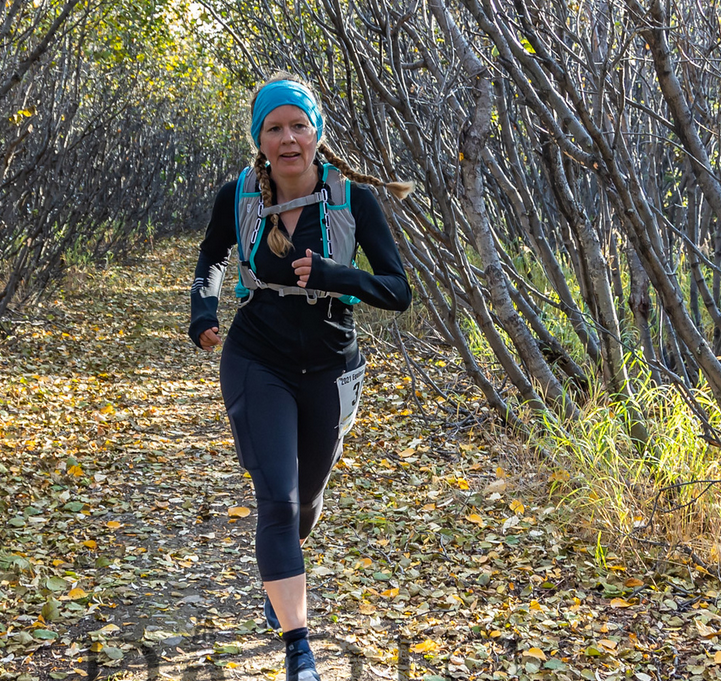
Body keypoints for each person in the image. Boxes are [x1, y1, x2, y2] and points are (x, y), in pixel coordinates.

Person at [188, 73, 412, 681]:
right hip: (257, 358)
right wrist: (202, 312)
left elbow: (398, 292)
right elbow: (211, 258)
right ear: (259, 140)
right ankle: (299, 651)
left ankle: (279, 574)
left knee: (305, 500)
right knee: (278, 502)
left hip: (332, 368)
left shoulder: (351, 200)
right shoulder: (237, 195)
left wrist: (339, 276)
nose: (287, 139)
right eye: (273, 128)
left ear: (316, 134)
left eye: (298, 126)